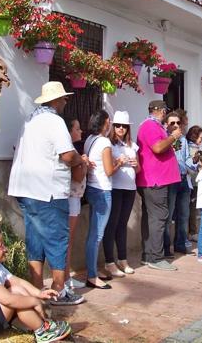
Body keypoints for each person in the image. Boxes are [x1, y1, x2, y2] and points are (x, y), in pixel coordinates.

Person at [8, 81, 85, 305]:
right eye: (62, 98)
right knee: (58, 241)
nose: (65, 101)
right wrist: (81, 159)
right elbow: (68, 156)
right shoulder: (54, 121)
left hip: (26, 189)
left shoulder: (30, 120)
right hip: (47, 190)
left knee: (36, 241)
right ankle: (59, 291)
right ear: (55, 100)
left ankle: (37, 288)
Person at [0, 226, 71, 342]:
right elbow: (7, 300)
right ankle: (42, 331)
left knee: (17, 290)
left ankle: (40, 326)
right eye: (1, 247)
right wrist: (34, 301)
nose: (6, 249)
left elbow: (17, 281)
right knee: (16, 296)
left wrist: (39, 294)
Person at [136, 100, 181, 271]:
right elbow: (157, 147)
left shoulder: (154, 126)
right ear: (160, 111)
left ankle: (148, 255)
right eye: (164, 111)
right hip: (155, 180)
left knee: (151, 217)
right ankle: (155, 257)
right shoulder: (150, 126)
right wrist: (173, 137)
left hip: (155, 179)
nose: (165, 114)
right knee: (159, 217)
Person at [84, 110, 124, 289]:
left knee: (93, 234)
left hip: (91, 188)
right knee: (96, 235)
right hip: (102, 190)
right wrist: (119, 163)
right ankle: (92, 275)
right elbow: (109, 171)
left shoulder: (89, 140)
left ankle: (93, 269)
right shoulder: (104, 142)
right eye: (110, 122)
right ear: (105, 123)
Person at [103, 111, 140, 278]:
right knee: (112, 224)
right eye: (117, 125)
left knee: (122, 224)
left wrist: (134, 164)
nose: (120, 129)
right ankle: (109, 261)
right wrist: (120, 162)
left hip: (130, 188)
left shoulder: (132, 146)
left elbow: (139, 169)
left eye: (124, 126)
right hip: (115, 187)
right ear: (113, 126)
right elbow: (108, 167)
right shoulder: (109, 145)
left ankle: (123, 259)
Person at [164, 110, 192, 256]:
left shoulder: (183, 140)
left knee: (184, 214)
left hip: (183, 179)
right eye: (172, 123)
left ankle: (180, 244)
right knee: (168, 216)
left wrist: (194, 164)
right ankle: (166, 247)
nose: (175, 125)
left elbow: (186, 158)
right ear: (166, 125)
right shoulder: (165, 138)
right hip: (170, 180)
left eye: (178, 123)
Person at [64, 117, 88, 290]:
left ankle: (65, 278)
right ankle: (64, 279)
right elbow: (78, 176)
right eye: (77, 128)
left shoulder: (73, 150)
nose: (80, 132)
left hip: (74, 197)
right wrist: (84, 163)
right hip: (70, 198)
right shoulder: (70, 151)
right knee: (68, 240)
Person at [185, 125, 202, 240]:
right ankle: (192, 232)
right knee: (192, 207)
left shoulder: (194, 148)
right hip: (192, 182)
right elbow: (192, 166)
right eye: (200, 137)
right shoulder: (193, 149)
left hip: (193, 182)